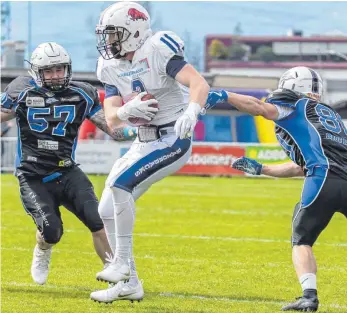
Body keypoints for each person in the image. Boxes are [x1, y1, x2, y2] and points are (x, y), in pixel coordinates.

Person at [90, 1, 209, 303]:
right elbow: (111, 116)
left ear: (134, 31)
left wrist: (192, 111)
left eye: (114, 34)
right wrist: (128, 110)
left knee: (120, 186)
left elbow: (198, 82)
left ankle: (120, 264)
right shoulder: (110, 65)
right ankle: (130, 282)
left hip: (173, 137)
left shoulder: (156, 49)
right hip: (143, 140)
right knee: (105, 211)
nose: (110, 42)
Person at [205, 66, 347, 312]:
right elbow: (300, 166)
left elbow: (260, 108)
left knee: (301, 239)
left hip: (323, 177)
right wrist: (263, 169)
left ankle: (309, 297)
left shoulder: (291, 106)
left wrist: (225, 95)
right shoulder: (327, 114)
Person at [0, 42, 137, 286]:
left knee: (98, 221)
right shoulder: (22, 90)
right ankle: (43, 249)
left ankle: (117, 276)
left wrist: (137, 127)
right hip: (33, 175)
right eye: (49, 71)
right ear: (36, 72)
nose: (55, 76)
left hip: (67, 171)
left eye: (60, 69)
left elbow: (111, 128)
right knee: (52, 232)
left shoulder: (82, 93)